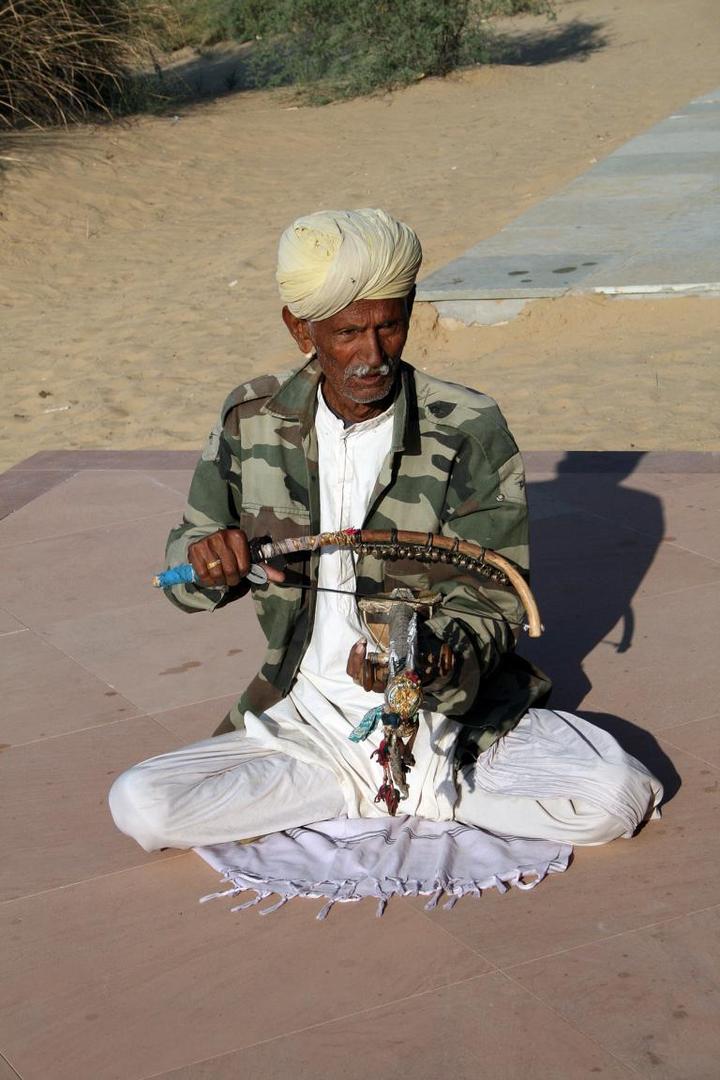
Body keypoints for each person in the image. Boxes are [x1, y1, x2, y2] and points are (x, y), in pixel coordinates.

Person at [109, 208, 662, 853]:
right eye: (348, 333)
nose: (372, 356)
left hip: (448, 721)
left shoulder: (466, 425)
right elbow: (185, 570)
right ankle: (369, 787)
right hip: (309, 717)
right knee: (142, 806)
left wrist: (439, 659)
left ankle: (410, 783)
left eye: (390, 326)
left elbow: (497, 598)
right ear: (300, 328)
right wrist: (207, 562)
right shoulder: (251, 417)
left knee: (614, 799)